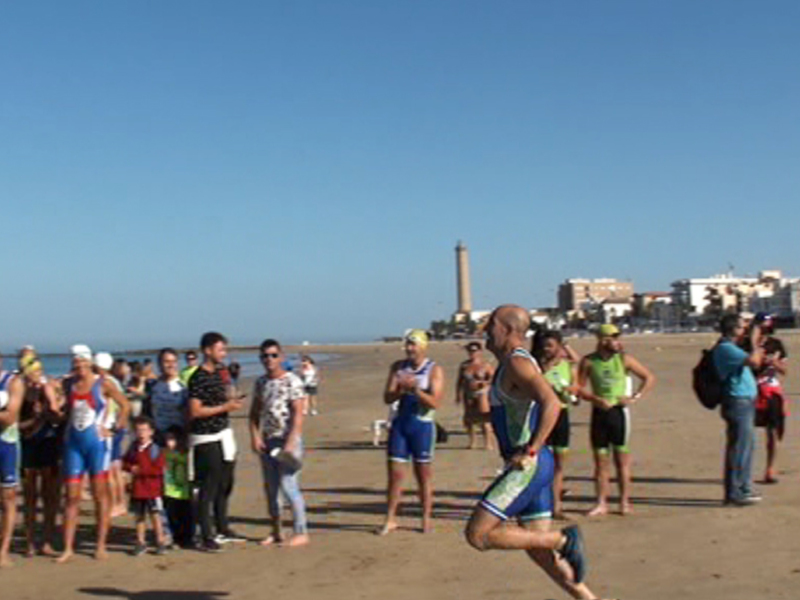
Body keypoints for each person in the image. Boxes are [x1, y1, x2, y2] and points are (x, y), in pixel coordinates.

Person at [464, 306, 609, 600]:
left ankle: (563, 538)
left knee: (478, 535)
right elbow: (517, 412)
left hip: (529, 466)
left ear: (507, 329)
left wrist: (531, 449)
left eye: (491, 324)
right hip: (533, 465)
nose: (486, 330)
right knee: (537, 550)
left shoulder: (518, 362)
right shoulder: (509, 365)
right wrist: (478, 417)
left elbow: (551, 404)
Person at [57, 344, 131, 563]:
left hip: (97, 445)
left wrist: (115, 428)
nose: (79, 365)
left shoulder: (103, 383)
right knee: (71, 497)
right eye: (75, 361)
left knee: (100, 495)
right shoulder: (69, 384)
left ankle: (100, 544)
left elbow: (125, 405)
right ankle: (68, 548)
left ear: (90, 362)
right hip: (73, 445)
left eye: (82, 361)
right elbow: (65, 409)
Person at [577, 324, 656, 517]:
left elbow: (648, 377)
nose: (617, 342)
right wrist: (594, 399)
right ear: (603, 340)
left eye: (617, 338)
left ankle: (624, 502)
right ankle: (601, 502)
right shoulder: (588, 361)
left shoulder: (624, 359)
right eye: (613, 338)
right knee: (600, 461)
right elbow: (577, 388)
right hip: (599, 413)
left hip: (619, 413)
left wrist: (633, 397)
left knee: (622, 460)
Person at [378, 329, 444, 535]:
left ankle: (425, 517)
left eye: (413, 345)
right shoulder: (398, 367)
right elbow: (387, 398)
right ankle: (390, 518)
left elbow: (435, 402)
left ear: (423, 347)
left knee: (423, 474)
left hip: (422, 426)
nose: (409, 349)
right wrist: (400, 389)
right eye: (407, 345)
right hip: (400, 426)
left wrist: (415, 390)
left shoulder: (434, 370)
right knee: (395, 475)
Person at [249, 339, 310, 547]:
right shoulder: (260, 383)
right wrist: (255, 436)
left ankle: (301, 531)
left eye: (273, 355)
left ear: (281, 357)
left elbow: (298, 414)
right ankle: (276, 531)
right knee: (271, 488)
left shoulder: (292, 381)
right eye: (265, 356)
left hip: (288, 439)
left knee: (288, 484)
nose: (269, 359)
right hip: (268, 440)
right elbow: (254, 413)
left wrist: (291, 443)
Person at [187, 332, 244, 552]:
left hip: (223, 433)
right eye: (220, 349)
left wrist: (231, 400)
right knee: (208, 487)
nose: (224, 354)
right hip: (205, 437)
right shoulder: (198, 377)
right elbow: (195, 410)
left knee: (225, 483)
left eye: (225, 350)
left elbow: (224, 395)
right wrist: (224, 408)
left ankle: (222, 526)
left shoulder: (220, 372)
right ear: (207, 350)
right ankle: (206, 533)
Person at [714, 314, 764, 506]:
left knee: (746, 446)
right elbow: (754, 361)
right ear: (733, 329)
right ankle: (737, 491)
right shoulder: (726, 349)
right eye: (742, 327)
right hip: (737, 402)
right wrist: (754, 342)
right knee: (740, 448)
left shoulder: (731, 348)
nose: (744, 330)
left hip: (744, 401)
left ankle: (742, 487)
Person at [18, 355, 63, 556]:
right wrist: (35, 418)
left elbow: (57, 418)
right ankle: (29, 542)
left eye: (39, 371)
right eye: (33, 372)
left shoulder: (49, 388)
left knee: (50, 496)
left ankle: (46, 541)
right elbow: (15, 425)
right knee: (29, 497)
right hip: (27, 445)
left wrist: (54, 408)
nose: (37, 375)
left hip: (48, 443)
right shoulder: (19, 392)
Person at [533, 331, 581, 520]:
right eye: (545, 346)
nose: (547, 349)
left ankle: (557, 507)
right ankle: (538, 505)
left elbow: (577, 392)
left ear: (559, 347)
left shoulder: (569, 367)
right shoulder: (535, 368)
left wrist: (571, 390)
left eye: (551, 345)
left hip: (561, 414)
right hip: (542, 415)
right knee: (541, 462)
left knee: (559, 464)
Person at [748, 314, 788, 484]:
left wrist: (773, 362)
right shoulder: (744, 344)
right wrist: (753, 344)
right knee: (746, 433)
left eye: (766, 325)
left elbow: (785, 370)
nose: (763, 329)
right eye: (760, 325)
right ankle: (744, 471)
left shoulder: (776, 344)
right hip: (749, 391)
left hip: (771, 391)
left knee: (773, 432)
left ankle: (770, 469)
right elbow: (751, 364)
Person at [123, 416, 167, 556]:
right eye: (138, 430)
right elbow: (125, 462)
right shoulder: (133, 448)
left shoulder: (156, 450)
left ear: (151, 432)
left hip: (152, 490)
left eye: (144, 430)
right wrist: (131, 468)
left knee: (155, 515)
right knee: (139, 517)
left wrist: (140, 470)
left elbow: (159, 469)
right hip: (137, 489)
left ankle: (160, 541)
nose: (141, 433)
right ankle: (140, 542)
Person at [94, 352, 128, 519]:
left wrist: (112, 428)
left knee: (111, 471)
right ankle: (119, 502)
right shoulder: (113, 381)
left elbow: (113, 406)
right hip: (116, 429)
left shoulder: (106, 383)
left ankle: (116, 503)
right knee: (116, 469)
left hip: (111, 429)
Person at [0, 356, 25, 568]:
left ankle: (4, 549)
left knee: (8, 496)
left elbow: (10, 416)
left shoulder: (12, 382)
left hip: (6, 444)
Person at [143, 348, 189, 442]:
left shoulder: (184, 387)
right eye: (166, 362)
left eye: (174, 361)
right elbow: (146, 412)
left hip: (178, 436)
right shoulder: (152, 386)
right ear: (159, 364)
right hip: (157, 435)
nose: (171, 365)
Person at [456, 341, 495, 450]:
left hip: (482, 393)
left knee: (484, 418)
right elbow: (460, 381)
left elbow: (493, 379)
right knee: (469, 419)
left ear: (480, 352)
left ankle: (488, 442)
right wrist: (458, 394)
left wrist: (484, 383)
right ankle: (472, 441)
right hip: (468, 393)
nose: (472, 353)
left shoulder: (485, 365)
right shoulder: (464, 365)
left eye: (474, 351)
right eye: (470, 351)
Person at [163, 426, 194, 548]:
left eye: (172, 439)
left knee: (186, 515)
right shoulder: (164, 453)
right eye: (167, 439)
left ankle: (187, 538)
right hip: (169, 490)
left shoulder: (187, 454)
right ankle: (175, 538)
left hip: (185, 491)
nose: (168, 442)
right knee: (172, 516)